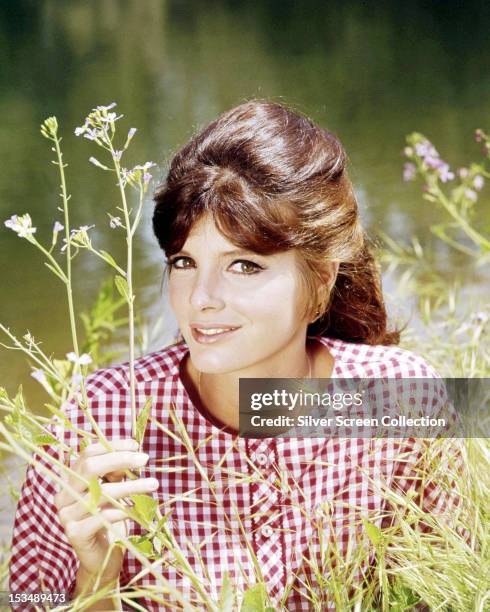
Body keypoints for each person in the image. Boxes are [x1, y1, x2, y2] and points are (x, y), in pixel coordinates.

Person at [9, 100, 461, 611]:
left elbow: (450, 594)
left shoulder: (400, 399)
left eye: (244, 266)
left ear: (319, 284)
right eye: (184, 261)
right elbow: (29, 598)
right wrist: (97, 580)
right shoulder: (102, 411)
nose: (201, 297)